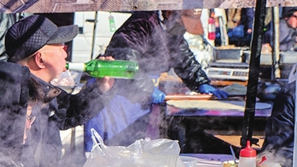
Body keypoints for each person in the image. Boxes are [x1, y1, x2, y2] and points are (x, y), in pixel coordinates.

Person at [91, 9, 226, 146]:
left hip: (140, 97)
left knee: (132, 148)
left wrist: (200, 82)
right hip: (117, 94)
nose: (183, 28)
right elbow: (126, 61)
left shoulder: (173, 30)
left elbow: (182, 57)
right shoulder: (141, 24)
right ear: (169, 13)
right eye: (181, 22)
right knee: (110, 149)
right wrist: (149, 88)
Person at [4, 15, 112, 162]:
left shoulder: (41, 90)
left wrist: (101, 88)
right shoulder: (19, 102)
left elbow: (69, 112)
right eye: (60, 46)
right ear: (40, 59)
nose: (65, 53)